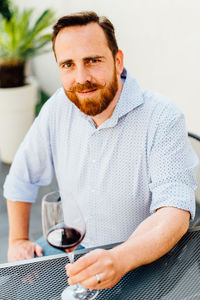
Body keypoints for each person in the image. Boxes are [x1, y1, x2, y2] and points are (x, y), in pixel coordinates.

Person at [4, 11, 198, 290]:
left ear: (118, 61)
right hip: (69, 252)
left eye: (92, 61)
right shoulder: (59, 106)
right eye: (68, 65)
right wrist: (17, 241)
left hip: (139, 260)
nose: (81, 78)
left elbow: (174, 213)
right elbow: (20, 177)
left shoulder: (163, 117)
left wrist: (119, 259)